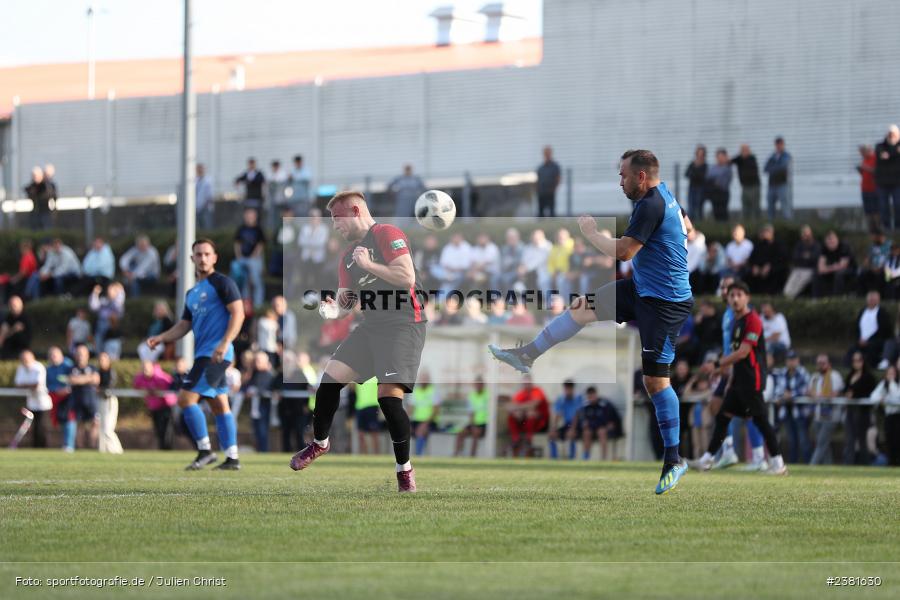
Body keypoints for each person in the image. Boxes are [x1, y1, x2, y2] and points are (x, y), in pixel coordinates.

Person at [489, 149, 693, 494]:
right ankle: (527, 355)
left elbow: (624, 252)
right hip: (643, 289)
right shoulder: (663, 195)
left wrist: (590, 232)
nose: (620, 181)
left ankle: (674, 459)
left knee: (656, 383)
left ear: (641, 177)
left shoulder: (652, 205)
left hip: (664, 304)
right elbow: (687, 224)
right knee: (583, 307)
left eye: (623, 175)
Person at [290, 190, 427, 493]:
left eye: (336, 218)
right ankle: (320, 443)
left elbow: (406, 277)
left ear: (354, 211)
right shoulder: (348, 258)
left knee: (388, 400)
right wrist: (332, 310)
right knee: (329, 381)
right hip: (372, 327)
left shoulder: (386, 233)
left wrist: (369, 265)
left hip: (404, 326)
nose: (334, 225)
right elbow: (345, 303)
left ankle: (404, 471)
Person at [146, 238, 245, 470]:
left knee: (185, 399)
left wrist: (224, 343)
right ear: (192, 259)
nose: (202, 258)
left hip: (214, 354)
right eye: (198, 254)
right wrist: (162, 337)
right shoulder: (192, 293)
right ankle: (232, 457)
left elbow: (238, 314)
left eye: (206, 254)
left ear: (215, 257)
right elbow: (184, 325)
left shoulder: (222, 283)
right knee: (220, 404)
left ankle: (205, 450)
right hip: (206, 354)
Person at [691, 281, 787, 475]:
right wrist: (729, 378)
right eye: (732, 295)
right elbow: (737, 354)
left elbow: (743, 353)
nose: (735, 299)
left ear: (747, 298)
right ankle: (707, 459)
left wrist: (718, 365)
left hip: (753, 379)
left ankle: (778, 464)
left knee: (760, 421)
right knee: (723, 417)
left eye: (739, 295)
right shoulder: (735, 321)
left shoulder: (753, 320)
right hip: (738, 381)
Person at [706, 276, 767, 471]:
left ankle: (760, 457)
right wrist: (720, 367)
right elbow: (729, 344)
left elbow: (743, 347)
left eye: (731, 289)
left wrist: (723, 365)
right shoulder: (727, 314)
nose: (727, 292)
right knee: (717, 405)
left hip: (741, 368)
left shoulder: (742, 315)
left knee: (749, 413)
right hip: (728, 366)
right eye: (724, 288)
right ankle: (730, 451)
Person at [773, 350, 811, 464]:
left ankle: (807, 463)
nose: (791, 362)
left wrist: (791, 395)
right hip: (787, 412)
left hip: (800, 412)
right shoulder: (782, 373)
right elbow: (778, 389)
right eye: (789, 360)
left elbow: (806, 389)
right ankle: (793, 463)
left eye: (793, 360)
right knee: (791, 440)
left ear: (798, 361)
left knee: (803, 440)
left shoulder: (803, 373)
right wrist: (784, 396)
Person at [808, 354, 845, 465]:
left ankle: (812, 466)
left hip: (830, 415)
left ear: (829, 364)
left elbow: (834, 393)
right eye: (818, 363)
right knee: (824, 444)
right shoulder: (815, 376)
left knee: (821, 442)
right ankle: (829, 466)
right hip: (817, 414)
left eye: (823, 363)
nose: (820, 365)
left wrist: (821, 396)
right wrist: (816, 395)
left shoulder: (834, 376)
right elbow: (809, 391)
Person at [843, 351, 877, 466]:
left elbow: (870, 393)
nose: (856, 363)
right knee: (850, 439)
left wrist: (854, 394)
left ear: (863, 361)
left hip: (862, 412)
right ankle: (849, 464)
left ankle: (865, 464)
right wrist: (847, 394)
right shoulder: (850, 375)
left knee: (862, 440)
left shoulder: (869, 377)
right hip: (851, 411)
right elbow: (846, 389)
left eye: (858, 360)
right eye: (854, 361)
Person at [134, 360, 176, 450]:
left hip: (166, 406)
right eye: (144, 368)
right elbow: (136, 385)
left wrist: (155, 389)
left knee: (166, 430)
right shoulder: (141, 378)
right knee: (158, 430)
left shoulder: (160, 377)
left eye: (147, 368)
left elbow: (168, 386)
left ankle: (167, 449)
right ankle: (162, 448)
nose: (146, 370)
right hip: (154, 407)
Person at [14, 350, 51, 447]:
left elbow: (36, 385)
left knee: (41, 427)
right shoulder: (21, 368)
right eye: (23, 360)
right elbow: (18, 384)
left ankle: (43, 447)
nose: (24, 362)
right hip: (31, 403)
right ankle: (35, 447)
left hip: (42, 403)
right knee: (33, 427)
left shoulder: (38, 367)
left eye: (26, 359)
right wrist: (29, 385)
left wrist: (26, 385)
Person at [67, 344, 100, 450]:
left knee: (95, 423)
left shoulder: (92, 367)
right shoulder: (72, 368)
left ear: (87, 355)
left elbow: (96, 380)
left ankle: (93, 447)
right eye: (78, 353)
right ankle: (80, 448)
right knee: (79, 425)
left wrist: (79, 380)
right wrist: (88, 379)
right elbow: (72, 380)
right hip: (77, 401)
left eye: (82, 353)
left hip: (91, 401)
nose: (80, 356)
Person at [507, 376, 549, 457]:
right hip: (525, 423)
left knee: (531, 415)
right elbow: (510, 406)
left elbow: (533, 404)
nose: (526, 385)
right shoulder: (521, 393)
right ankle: (516, 440)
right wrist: (517, 412)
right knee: (512, 416)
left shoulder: (537, 391)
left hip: (540, 424)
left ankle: (528, 441)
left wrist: (518, 408)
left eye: (528, 383)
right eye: (525, 384)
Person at [574, 387, 619, 460]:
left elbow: (607, 421)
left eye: (592, 395)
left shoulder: (604, 405)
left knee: (602, 431)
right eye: (589, 396)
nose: (591, 398)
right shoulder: (585, 407)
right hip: (591, 429)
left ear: (596, 395)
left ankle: (603, 458)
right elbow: (583, 422)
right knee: (586, 432)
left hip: (602, 429)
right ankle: (586, 457)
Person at [870, 363, 900, 466]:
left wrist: (891, 383)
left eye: (893, 373)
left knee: (897, 440)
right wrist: (881, 399)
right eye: (889, 373)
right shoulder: (883, 384)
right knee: (889, 439)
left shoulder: (896, 384)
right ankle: (891, 462)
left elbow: (897, 396)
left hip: (898, 416)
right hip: (889, 417)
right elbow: (873, 396)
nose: (891, 375)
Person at [247, 351, 275, 452]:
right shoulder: (255, 373)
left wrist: (257, 392)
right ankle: (259, 450)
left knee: (263, 431)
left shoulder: (269, 375)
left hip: (263, 407)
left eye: (258, 361)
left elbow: (269, 391)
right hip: (255, 407)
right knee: (256, 431)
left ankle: (264, 451)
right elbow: (248, 386)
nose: (256, 363)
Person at [454, 377, 489, 457]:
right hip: (474, 423)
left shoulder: (488, 395)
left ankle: (472, 456)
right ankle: (456, 454)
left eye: (480, 384)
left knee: (475, 434)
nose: (478, 386)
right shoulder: (471, 396)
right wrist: (473, 425)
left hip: (484, 423)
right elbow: (471, 413)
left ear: (483, 385)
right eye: (477, 384)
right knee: (460, 433)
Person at [783, 225, 820, 299]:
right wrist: (806, 256)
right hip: (797, 269)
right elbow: (795, 257)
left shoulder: (816, 245)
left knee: (796, 289)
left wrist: (804, 256)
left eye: (807, 233)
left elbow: (814, 258)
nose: (805, 235)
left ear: (811, 234)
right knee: (787, 290)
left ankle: (791, 299)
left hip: (809, 270)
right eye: (804, 233)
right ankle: (788, 298)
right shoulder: (799, 245)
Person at [548, 379, 581, 460]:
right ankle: (554, 458)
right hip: (567, 425)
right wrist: (554, 428)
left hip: (577, 425)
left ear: (573, 389)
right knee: (552, 435)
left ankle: (571, 458)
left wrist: (572, 429)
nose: (568, 390)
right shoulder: (561, 399)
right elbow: (557, 415)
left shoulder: (578, 398)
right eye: (566, 388)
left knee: (571, 434)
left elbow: (576, 416)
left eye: (570, 388)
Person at [409, 371, 441, 456]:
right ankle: (403, 458)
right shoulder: (415, 391)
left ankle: (418, 455)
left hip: (430, 422)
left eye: (425, 379)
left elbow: (436, 411)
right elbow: (410, 409)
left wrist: (425, 423)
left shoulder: (433, 391)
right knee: (403, 430)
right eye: (422, 379)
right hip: (417, 420)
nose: (423, 381)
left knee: (421, 430)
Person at [875, 125, 900, 230]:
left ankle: (898, 226)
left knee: (898, 205)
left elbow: (887, 156)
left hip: (897, 183)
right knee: (883, 206)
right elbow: (882, 155)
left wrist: (890, 154)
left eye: (894, 134)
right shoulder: (880, 146)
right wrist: (895, 152)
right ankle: (887, 227)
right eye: (890, 134)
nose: (891, 136)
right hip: (883, 183)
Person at [764, 137, 792, 220]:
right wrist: (775, 168)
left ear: (783, 145)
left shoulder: (786, 156)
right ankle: (770, 227)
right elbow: (765, 168)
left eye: (780, 144)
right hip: (772, 185)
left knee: (785, 207)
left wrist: (773, 168)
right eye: (777, 145)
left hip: (782, 184)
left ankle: (788, 225)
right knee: (770, 207)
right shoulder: (772, 156)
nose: (779, 146)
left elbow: (783, 167)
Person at [731, 144, 761, 221]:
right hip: (745, 187)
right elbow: (731, 161)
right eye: (742, 150)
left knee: (755, 207)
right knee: (745, 207)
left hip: (754, 186)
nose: (743, 152)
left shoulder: (752, 159)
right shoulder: (740, 159)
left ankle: (757, 222)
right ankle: (747, 223)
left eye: (745, 150)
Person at [857, 145, 881, 230]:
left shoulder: (875, 158)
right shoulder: (864, 160)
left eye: (862, 152)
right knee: (868, 211)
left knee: (875, 210)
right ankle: (871, 228)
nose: (861, 154)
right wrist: (860, 170)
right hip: (864, 188)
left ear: (868, 150)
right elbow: (865, 173)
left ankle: (878, 228)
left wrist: (865, 168)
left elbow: (877, 171)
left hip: (873, 189)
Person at [705, 148, 732, 222]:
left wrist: (715, 181)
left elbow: (723, 182)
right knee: (716, 212)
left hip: (723, 193)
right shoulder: (713, 168)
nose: (720, 159)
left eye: (722, 157)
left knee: (723, 212)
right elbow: (708, 178)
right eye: (718, 157)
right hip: (714, 194)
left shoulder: (727, 168)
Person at [536, 145, 562, 217]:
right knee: (541, 213)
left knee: (552, 212)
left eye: (548, 153)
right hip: (541, 192)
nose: (547, 154)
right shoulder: (540, 167)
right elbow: (538, 179)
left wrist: (554, 188)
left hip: (550, 192)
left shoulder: (555, 166)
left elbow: (558, 178)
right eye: (545, 153)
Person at [684, 145, 707, 221]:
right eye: (698, 154)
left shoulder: (705, 165)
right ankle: (691, 224)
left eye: (701, 154)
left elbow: (702, 177)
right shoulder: (692, 164)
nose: (699, 156)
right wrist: (695, 174)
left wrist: (694, 174)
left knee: (699, 207)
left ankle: (700, 223)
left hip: (701, 189)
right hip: (692, 188)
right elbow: (686, 174)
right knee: (691, 207)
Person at [196, 163, 215, 230]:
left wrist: (205, 204)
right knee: (197, 225)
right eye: (198, 169)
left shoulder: (208, 180)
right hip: (196, 207)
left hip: (206, 207)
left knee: (206, 226)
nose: (200, 171)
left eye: (201, 169)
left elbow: (210, 194)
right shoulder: (194, 180)